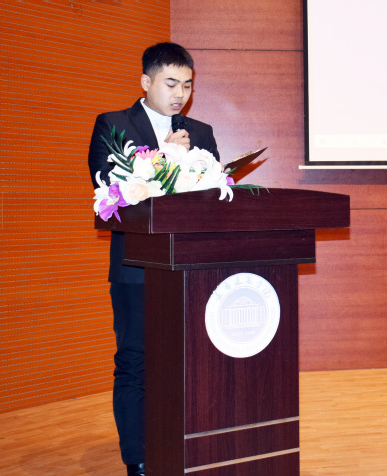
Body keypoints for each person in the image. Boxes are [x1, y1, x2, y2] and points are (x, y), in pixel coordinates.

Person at [87, 42, 220, 476]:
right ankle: (139, 459)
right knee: (135, 363)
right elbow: (109, 187)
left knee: (188, 362)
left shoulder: (201, 133)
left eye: (188, 85)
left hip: (189, 269)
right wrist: (166, 156)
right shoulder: (113, 124)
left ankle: (185, 445)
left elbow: (212, 201)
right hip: (136, 269)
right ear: (146, 81)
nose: (180, 94)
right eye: (171, 83)